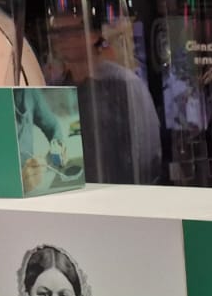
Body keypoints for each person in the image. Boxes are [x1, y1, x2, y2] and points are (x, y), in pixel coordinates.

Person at [49, 12, 162, 185]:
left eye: (71, 32)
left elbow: (147, 155)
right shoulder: (56, 89)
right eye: (56, 33)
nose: (62, 40)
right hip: (75, 191)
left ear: (94, 35)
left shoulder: (123, 84)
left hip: (122, 193)